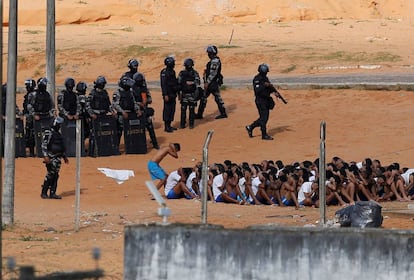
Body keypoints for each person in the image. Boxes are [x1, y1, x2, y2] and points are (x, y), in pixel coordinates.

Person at [245, 63, 283, 140]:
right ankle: (264, 134)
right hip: (260, 101)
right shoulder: (257, 79)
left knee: (264, 118)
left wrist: (275, 92)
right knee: (264, 118)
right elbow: (257, 90)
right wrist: (264, 85)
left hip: (266, 100)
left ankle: (250, 127)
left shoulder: (265, 78)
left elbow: (269, 87)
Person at [40, 116, 69, 199]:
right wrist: (45, 156)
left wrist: (64, 156)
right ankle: (44, 192)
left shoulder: (58, 133)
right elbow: (44, 145)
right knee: (50, 174)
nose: (59, 125)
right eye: (58, 124)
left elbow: (60, 145)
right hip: (51, 157)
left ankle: (53, 193)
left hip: (58, 157)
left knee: (55, 175)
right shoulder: (48, 133)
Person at [196, 45, 227, 119]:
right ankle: (200, 114)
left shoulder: (215, 61)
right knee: (206, 97)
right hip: (211, 83)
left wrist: (207, 82)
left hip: (212, 83)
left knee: (215, 97)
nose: (208, 54)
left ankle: (223, 113)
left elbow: (213, 73)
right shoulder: (213, 61)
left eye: (209, 53)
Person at [132, 72, 159, 149]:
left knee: (150, 126)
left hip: (144, 110)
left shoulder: (144, 89)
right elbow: (131, 101)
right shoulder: (132, 89)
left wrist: (146, 101)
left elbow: (150, 99)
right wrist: (138, 104)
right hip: (136, 111)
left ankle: (155, 143)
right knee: (136, 129)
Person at [112, 76, 141, 145]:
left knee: (132, 131)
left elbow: (133, 102)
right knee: (119, 132)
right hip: (122, 115)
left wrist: (138, 109)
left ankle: (132, 146)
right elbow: (115, 104)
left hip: (131, 114)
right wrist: (122, 112)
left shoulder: (130, 92)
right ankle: (116, 147)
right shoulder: (117, 92)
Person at [177, 58, 201, 129]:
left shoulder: (184, 73)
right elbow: (179, 84)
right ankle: (185, 124)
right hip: (187, 94)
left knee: (189, 110)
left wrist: (191, 83)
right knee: (187, 110)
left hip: (190, 94)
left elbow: (198, 82)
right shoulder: (184, 73)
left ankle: (187, 124)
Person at [160, 56, 179, 132]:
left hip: (173, 93)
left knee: (172, 109)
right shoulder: (164, 72)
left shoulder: (172, 71)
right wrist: (165, 94)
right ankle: (166, 127)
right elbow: (163, 84)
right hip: (168, 94)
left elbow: (174, 82)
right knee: (167, 109)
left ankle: (169, 125)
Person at [23, 79, 36, 156]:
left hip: (32, 117)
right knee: (29, 133)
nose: (26, 87)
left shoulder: (33, 94)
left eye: (27, 85)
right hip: (29, 117)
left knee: (31, 134)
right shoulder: (29, 94)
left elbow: (30, 106)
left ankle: (31, 152)